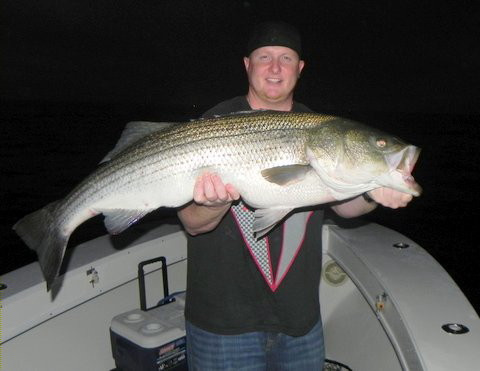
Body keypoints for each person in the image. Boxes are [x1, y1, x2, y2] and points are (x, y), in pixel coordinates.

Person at [177, 21, 413, 370]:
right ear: (247, 65)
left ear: (299, 69)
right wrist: (216, 202)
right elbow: (192, 223)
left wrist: (374, 191)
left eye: (286, 58)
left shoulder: (321, 128)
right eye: (264, 57)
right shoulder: (215, 123)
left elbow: (346, 207)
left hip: (300, 323)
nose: (275, 68)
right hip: (224, 326)